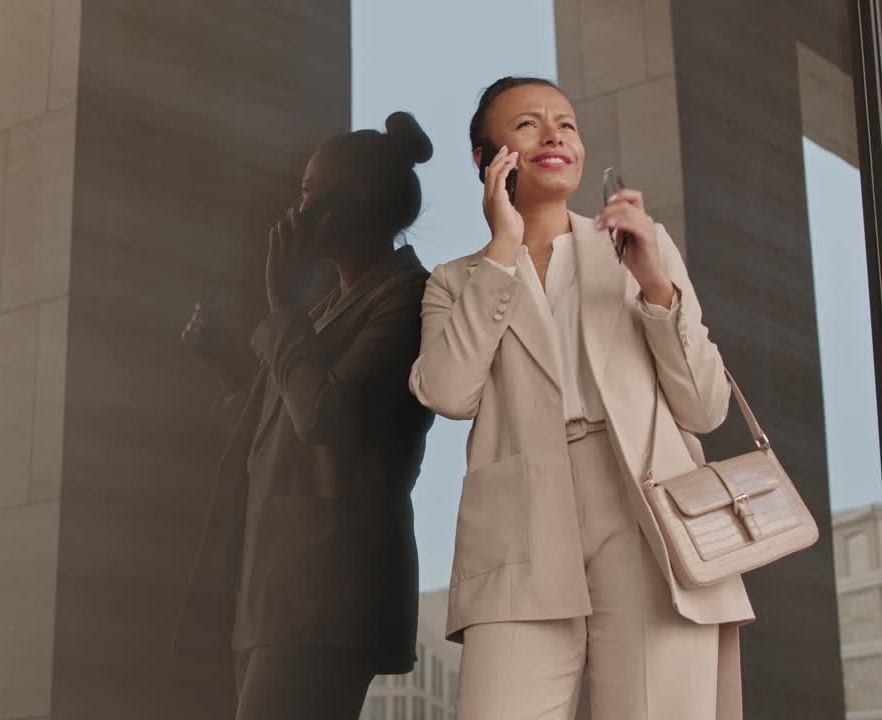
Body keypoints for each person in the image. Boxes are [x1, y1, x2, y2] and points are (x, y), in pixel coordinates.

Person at [408, 77, 754, 720]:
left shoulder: (641, 247)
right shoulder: (457, 281)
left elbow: (705, 409)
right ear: (486, 158)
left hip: (649, 509)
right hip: (520, 519)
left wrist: (656, 289)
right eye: (528, 124)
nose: (554, 135)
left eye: (565, 123)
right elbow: (449, 393)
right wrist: (502, 250)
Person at [172, 112, 437, 720]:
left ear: (356, 199)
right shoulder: (326, 309)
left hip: (330, 589)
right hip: (275, 588)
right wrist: (226, 365)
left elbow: (326, 419)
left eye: (310, 190)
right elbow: (280, 434)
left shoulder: (408, 296)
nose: (297, 209)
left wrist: (281, 306)